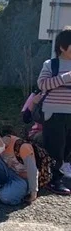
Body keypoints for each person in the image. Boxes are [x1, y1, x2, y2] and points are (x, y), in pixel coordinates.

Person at [37, 27, 71, 195]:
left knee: (66, 148)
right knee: (55, 148)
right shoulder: (51, 64)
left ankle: (60, 176)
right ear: (62, 47)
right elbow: (42, 85)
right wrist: (66, 77)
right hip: (53, 112)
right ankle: (53, 180)